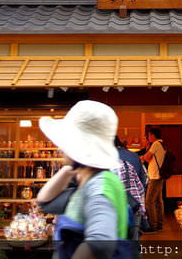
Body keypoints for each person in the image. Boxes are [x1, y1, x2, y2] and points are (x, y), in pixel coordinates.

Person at [37, 100, 130, 259]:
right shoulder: (84, 180)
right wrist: (69, 169)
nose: (61, 149)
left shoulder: (100, 185)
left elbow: (100, 243)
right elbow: (44, 202)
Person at [140, 127, 165, 232]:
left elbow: (147, 157)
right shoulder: (162, 144)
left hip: (155, 176)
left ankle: (153, 226)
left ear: (153, 135)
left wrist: (144, 154)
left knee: (149, 201)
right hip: (159, 176)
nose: (148, 137)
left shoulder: (155, 144)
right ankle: (159, 224)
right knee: (158, 201)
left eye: (149, 135)